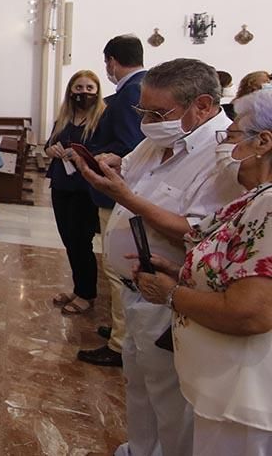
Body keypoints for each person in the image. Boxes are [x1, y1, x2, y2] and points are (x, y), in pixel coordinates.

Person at [71, 58, 244, 456]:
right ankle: (139, 449)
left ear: (201, 105)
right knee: (139, 385)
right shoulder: (158, 139)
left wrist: (126, 197)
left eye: (157, 112)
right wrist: (112, 165)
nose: (147, 120)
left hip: (173, 295)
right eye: (142, 111)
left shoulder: (226, 156)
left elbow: (200, 232)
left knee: (172, 400)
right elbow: (129, 167)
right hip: (137, 290)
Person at [135, 87, 272, 455]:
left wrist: (170, 293)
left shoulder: (271, 204)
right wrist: (181, 270)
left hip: (243, 393)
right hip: (222, 384)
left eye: (233, 134)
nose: (226, 145)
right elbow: (231, 272)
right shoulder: (255, 195)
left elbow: (251, 312)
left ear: (263, 142)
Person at [79, 34, 147, 367]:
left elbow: (131, 145)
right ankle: (125, 329)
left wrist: (96, 156)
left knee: (117, 267)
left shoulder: (127, 96)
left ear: (111, 61)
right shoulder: (140, 89)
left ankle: (121, 343)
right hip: (125, 193)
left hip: (118, 192)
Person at [45, 70, 106, 315]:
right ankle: (78, 288)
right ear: (71, 91)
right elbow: (49, 144)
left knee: (82, 241)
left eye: (89, 89)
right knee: (69, 240)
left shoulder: (102, 118)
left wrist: (79, 154)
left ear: (96, 91)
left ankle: (86, 294)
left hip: (85, 186)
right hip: (61, 183)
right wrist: (52, 151)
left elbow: (102, 150)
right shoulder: (63, 118)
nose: (83, 93)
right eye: (79, 88)